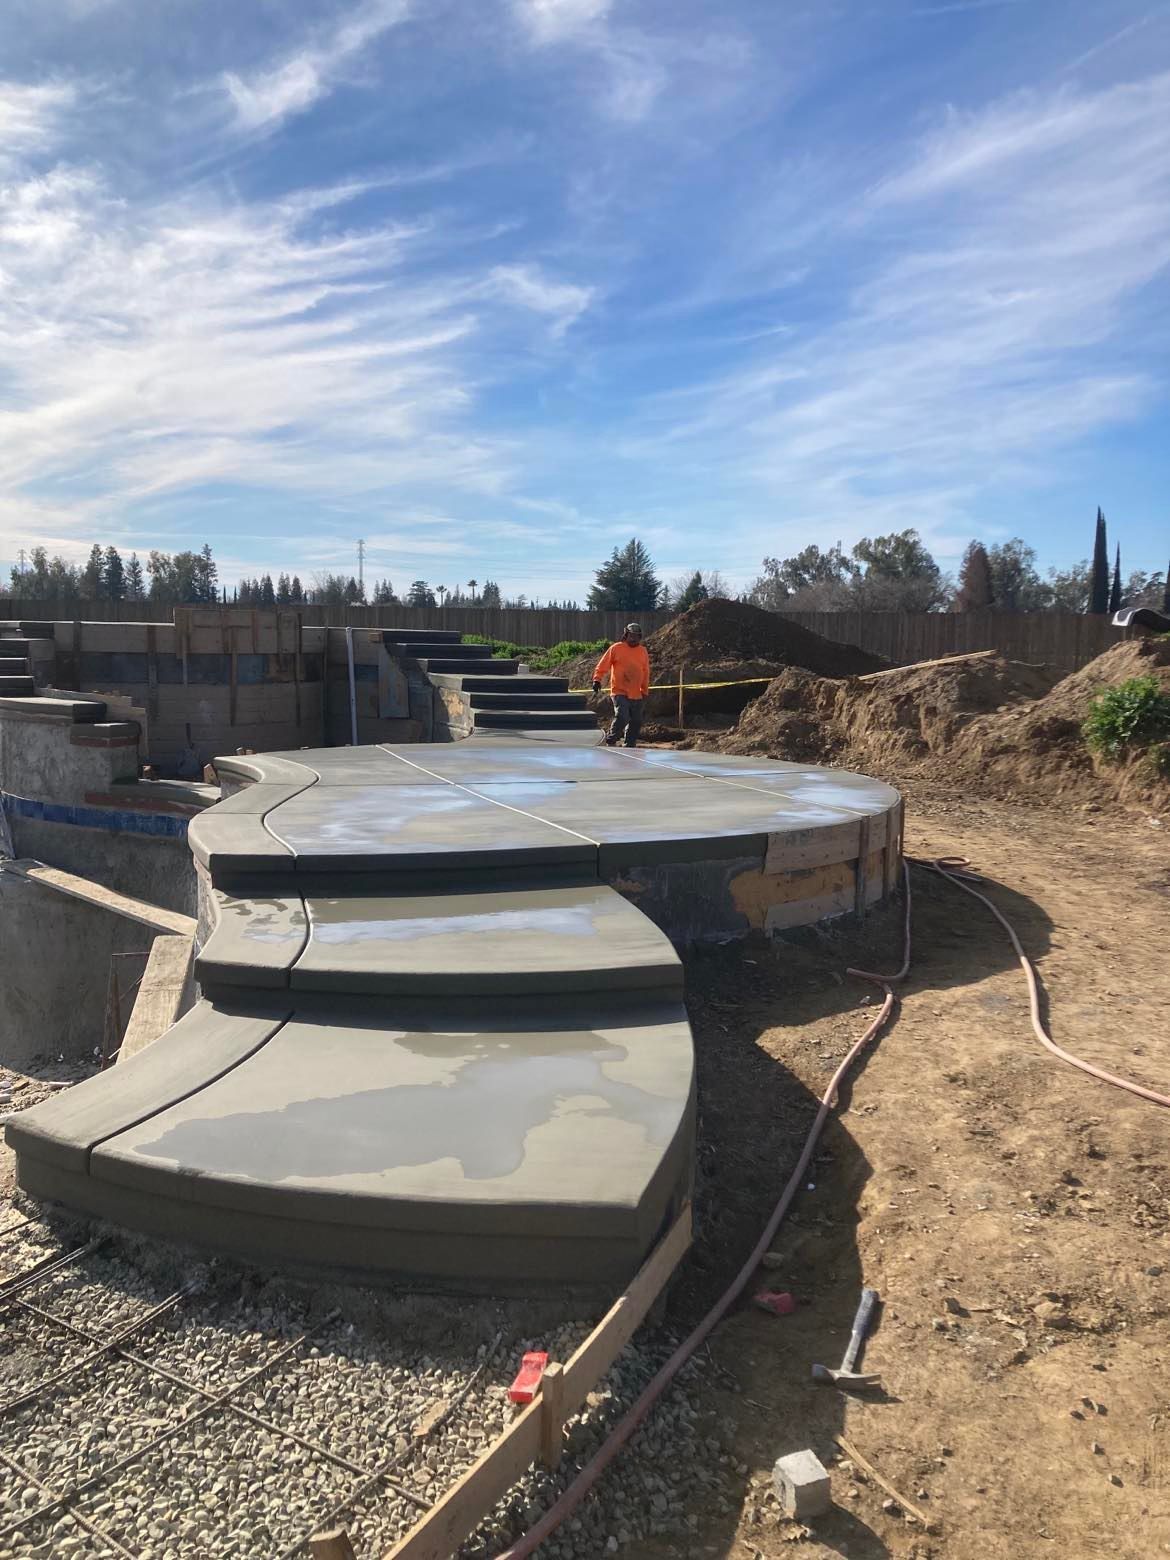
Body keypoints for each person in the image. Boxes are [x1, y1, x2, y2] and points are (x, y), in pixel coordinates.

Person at [592, 623, 650, 747]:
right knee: (622, 716)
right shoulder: (616, 648)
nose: (633, 639)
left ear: (640, 637)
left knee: (636, 721)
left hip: (636, 692)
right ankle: (611, 739)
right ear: (626, 635)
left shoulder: (642, 651)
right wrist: (597, 679)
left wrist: (644, 690)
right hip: (619, 691)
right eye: (631, 636)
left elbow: (645, 671)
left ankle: (630, 745)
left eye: (636, 636)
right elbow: (604, 664)